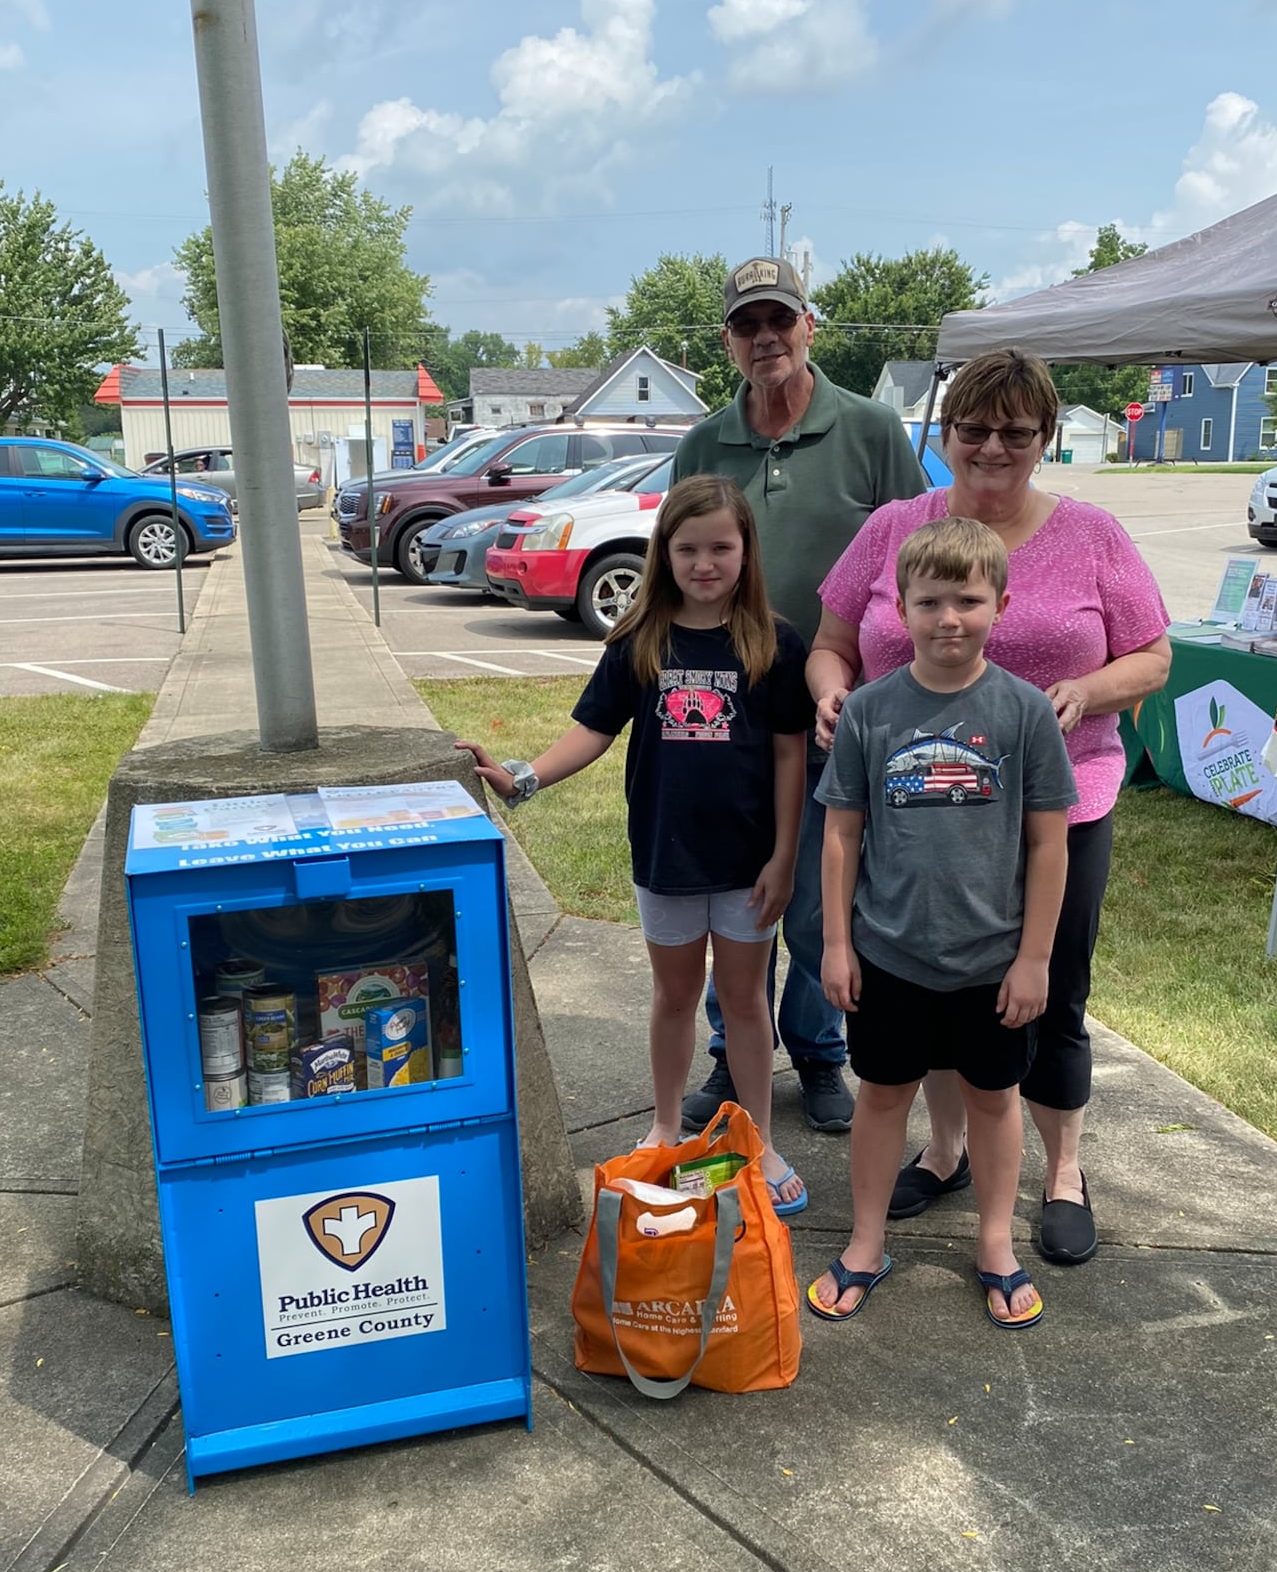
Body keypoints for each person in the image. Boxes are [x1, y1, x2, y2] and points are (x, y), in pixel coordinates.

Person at [809, 347, 1171, 1266]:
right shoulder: (898, 525)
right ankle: (944, 1148)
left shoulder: (1091, 535)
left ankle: (1061, 1171)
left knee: (1045, 992)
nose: (993, 446)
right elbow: (834, 641)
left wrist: (1086, 691)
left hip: (1059, 801)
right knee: (928, 980)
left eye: (1016, 430)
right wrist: (829, 692)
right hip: (915, 803)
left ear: (1045, 436)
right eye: (974, 428)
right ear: (944, 432)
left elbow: (1155, 657)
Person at [457, 475, 815, 1217]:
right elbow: (592, 730)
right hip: (666, 854)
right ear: (663, 554)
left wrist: (785, 857)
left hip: (750, 865)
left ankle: (757, 1137)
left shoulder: (775, 644)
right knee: (675, 995)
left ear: (747, 549)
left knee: (747, 1001)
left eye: (721, 546)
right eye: (687, 548)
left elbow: (790, 755)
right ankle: (661, 1125)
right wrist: (521, 778)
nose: (704, 562)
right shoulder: (638, 639)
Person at [672, 254, 929, 1138]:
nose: (765, 337)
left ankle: (818, 1051)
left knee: (822, 888)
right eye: (747, 325)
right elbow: (682, 559)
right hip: (724, 705)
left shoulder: (869, 429)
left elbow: (920, 558)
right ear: (728, 342)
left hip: (837, 696)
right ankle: (732, 1052)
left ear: (809, 326)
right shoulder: (704, 443)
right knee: (733, 887)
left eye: (780, 319)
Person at [808, 517, 1076, 1325]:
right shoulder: (870, 712)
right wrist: (835, 943)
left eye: (968, 599)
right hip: (887, 954)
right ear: (900, 607)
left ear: (1002, 602)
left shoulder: (1025, 713)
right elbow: (841, 832)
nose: (948, 617)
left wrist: (1034, 958)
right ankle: (864, 1239)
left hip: (991, 960)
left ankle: (995, 1239)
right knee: (882, 1095)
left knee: (994, 1099)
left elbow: (1050, 844)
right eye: (929, 600)